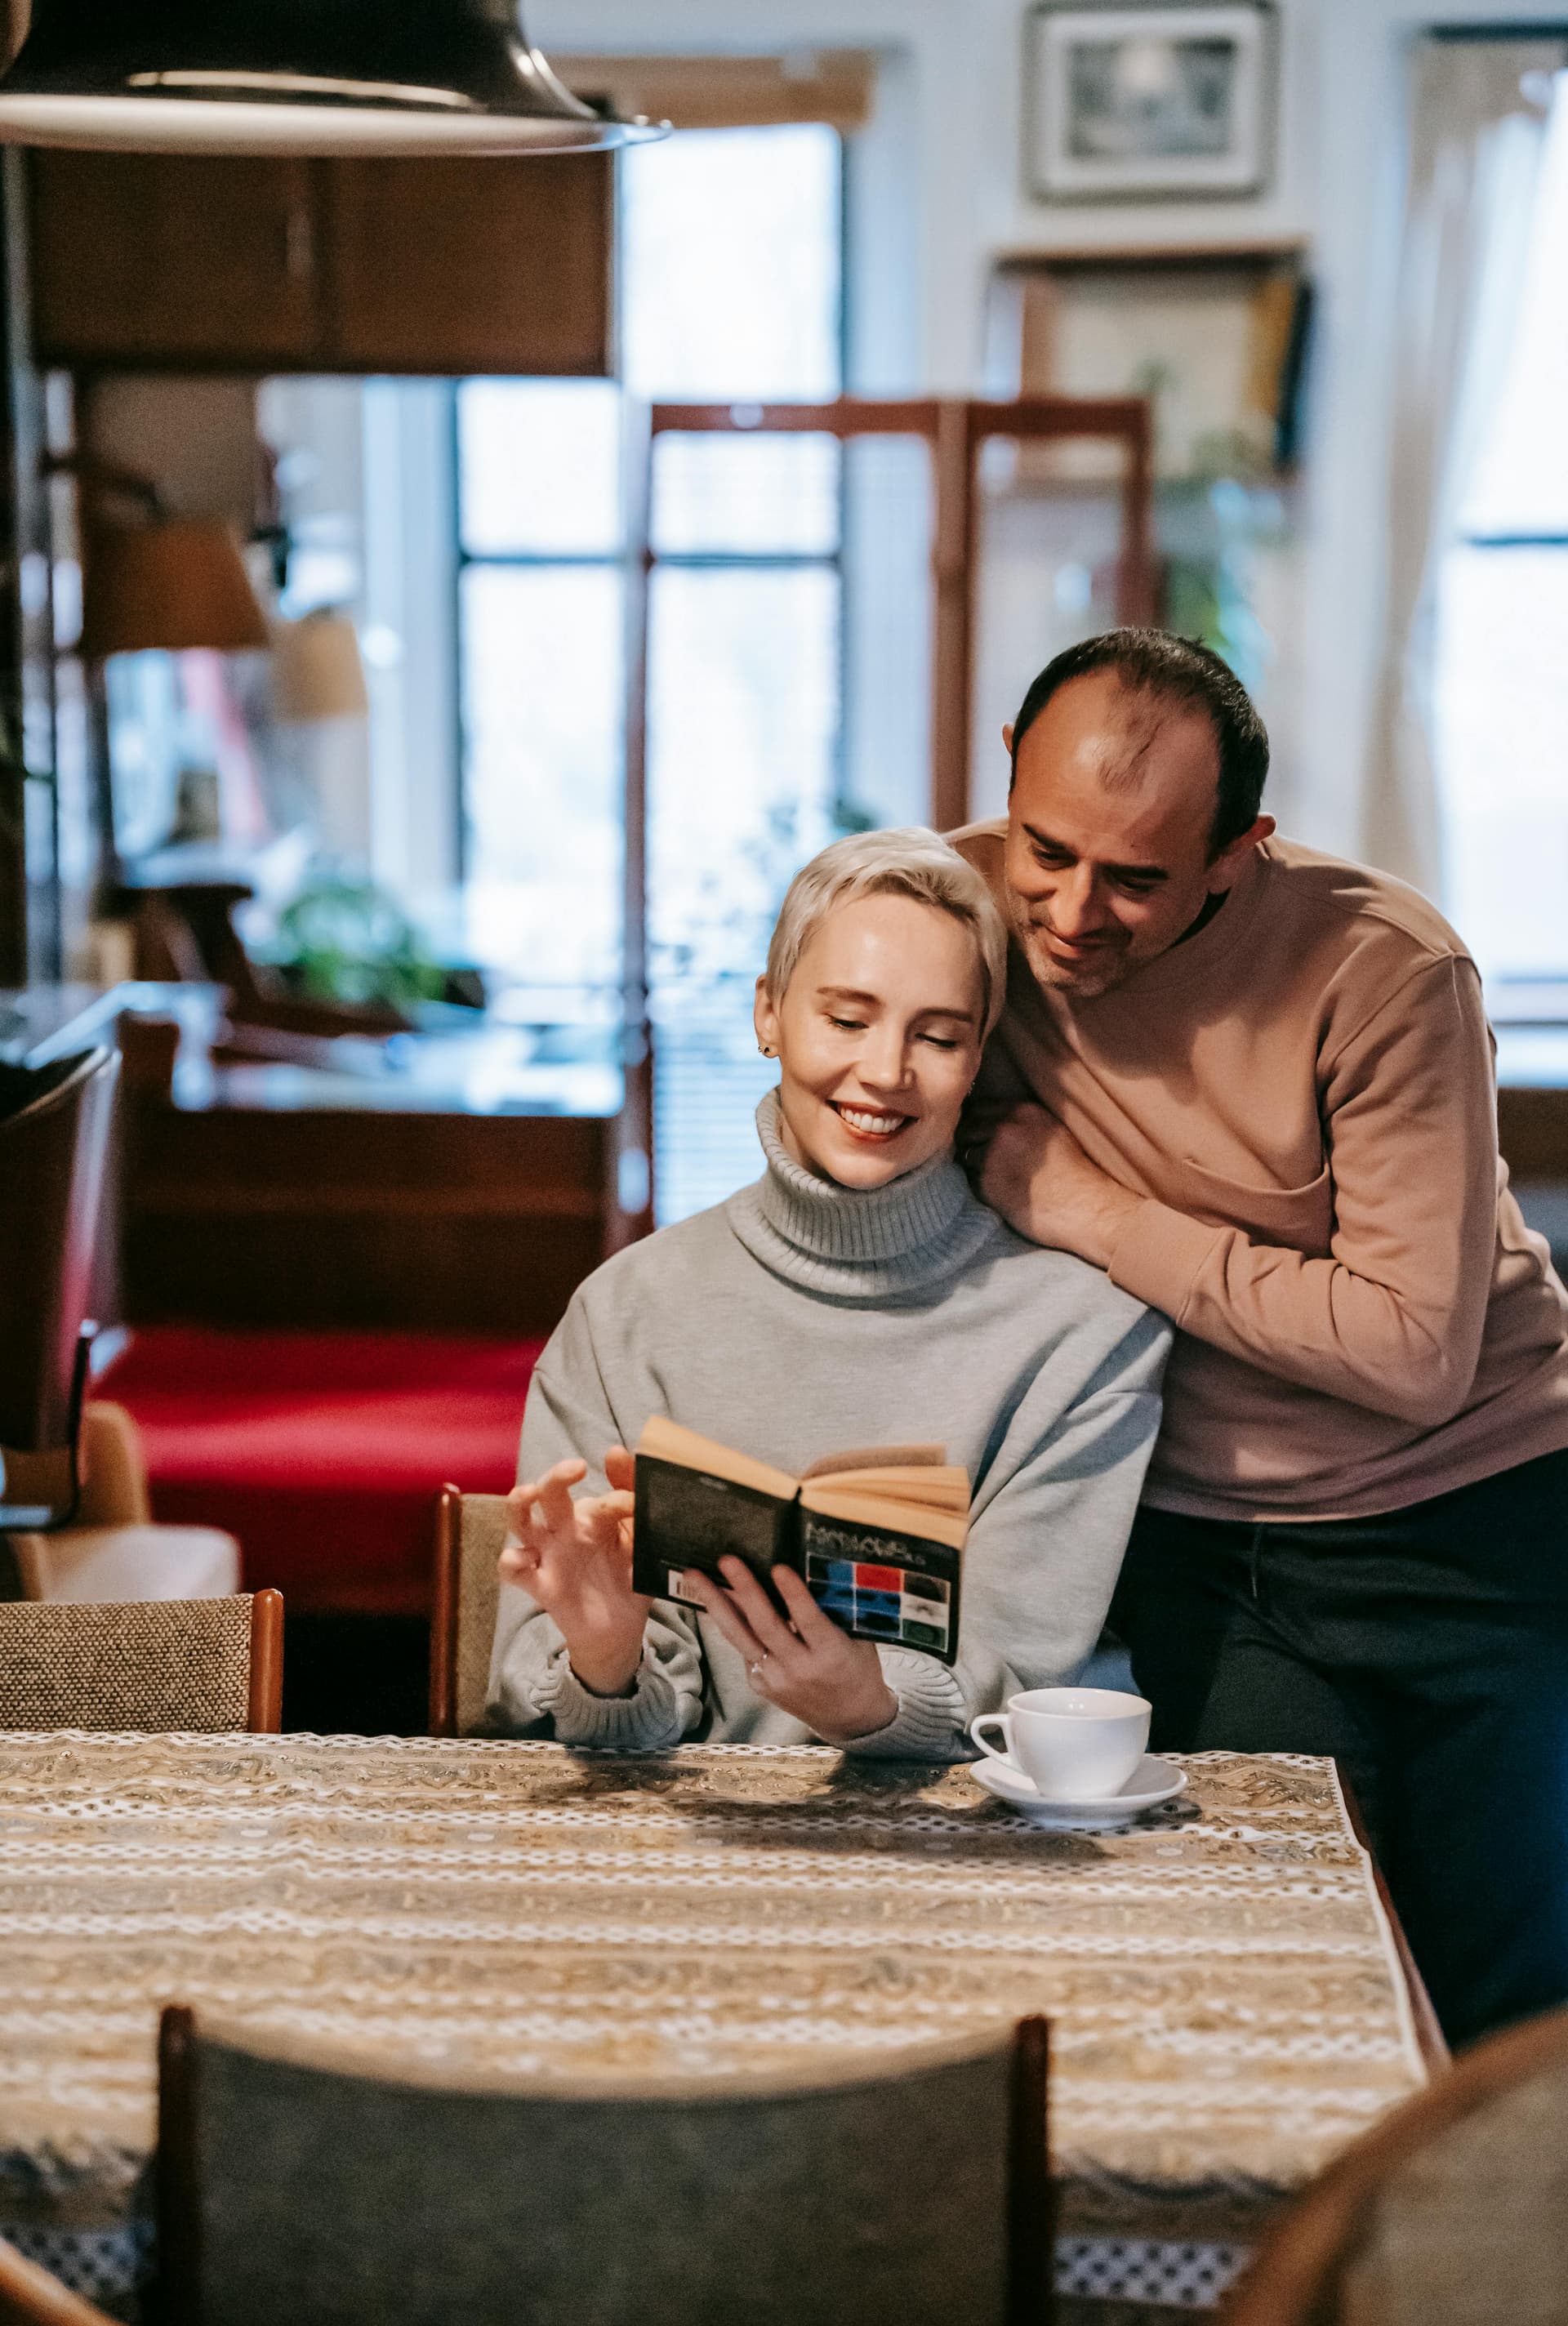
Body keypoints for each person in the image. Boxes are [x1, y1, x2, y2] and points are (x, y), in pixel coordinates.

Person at [955, 626, 1568, 2046]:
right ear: (1010, 779)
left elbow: (1413, 1349)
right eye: (1047, 851)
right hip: (1210, 1550)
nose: (1071, 914)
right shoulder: (964, 902)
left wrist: (1089, 1210)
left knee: (1508, 2014)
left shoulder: (1388, 968)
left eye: (1138, 878)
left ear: (1239, 854)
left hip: (1480, 1527)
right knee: (1280, 1982)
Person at [488, 828, 1169, 1758]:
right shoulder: (623, 1315)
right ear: (768, 1013)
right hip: (689, 1866)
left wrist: (871, 1706)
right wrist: (608, 1661)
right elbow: (582, 1722)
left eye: (938, 1036)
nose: (886, 1072)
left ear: (977, 1059)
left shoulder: (1088, 1337)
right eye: (846, 1020)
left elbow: (1023, 1685)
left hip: (978, 1875)